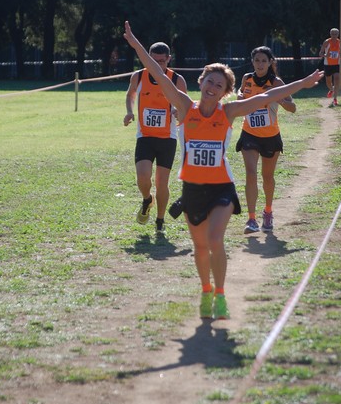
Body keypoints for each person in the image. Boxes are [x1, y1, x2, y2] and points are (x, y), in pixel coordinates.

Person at [123, 20, 323, 320]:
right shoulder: (184, 105)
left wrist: (304, 83)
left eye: (220, 85)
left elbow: (266, 97)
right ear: (201, 82)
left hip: (221, 189)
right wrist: (136, 44)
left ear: (226, 91)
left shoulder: (228, 112)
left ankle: (221, 294)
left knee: (215, 240)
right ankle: (206, 290)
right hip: (192, 190)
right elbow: (154, 70)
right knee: (201, 248)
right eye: (209, 81)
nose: (212, 87)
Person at [123, 39, 187, 235]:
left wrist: (177, 110)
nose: (158, 64)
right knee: (143, 177)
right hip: (145, 135)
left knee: (161, 182)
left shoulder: (177, 80)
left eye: (162, 61)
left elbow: (183, 104)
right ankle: (146, 199)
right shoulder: (138, 76)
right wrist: (129, 111)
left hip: (167, 137)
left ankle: (160, 220)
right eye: (153, 60)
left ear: (168, 59)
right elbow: (130, 95)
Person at [236, 46, 296, 234]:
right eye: (257, 60)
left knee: (267, 177)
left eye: (264, 61)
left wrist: (281, 101)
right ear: (252, 61)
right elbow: (240, 94)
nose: (260, 64)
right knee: (251, 174)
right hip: (249, 133)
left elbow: (292, 107)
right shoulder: (247, 78)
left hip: (270, 136)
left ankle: (268, 212)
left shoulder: (276, 82)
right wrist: (240, 98)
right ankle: (251, 219)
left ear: (270, 62)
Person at [319, 28, 340, 107]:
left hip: (337, 64)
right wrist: (325, 55)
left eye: (336, 34)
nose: (334, 36)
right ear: (330, 34)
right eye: (333, 34)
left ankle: (335, 99)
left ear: (338, 34)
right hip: (328, 64)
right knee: (328, 82)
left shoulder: (339, 42)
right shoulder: (327, 42)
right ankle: (331, 89)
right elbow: (320, 53)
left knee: (337, 79)